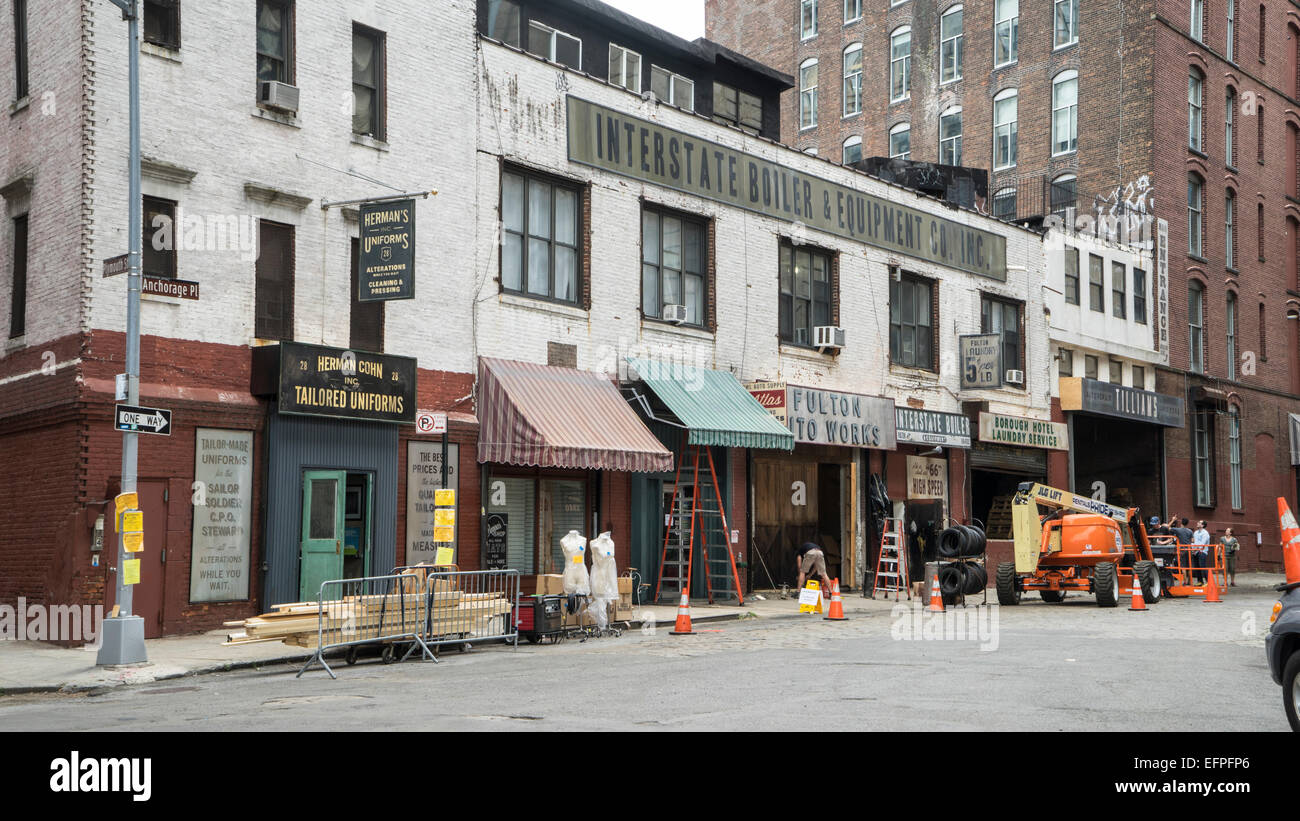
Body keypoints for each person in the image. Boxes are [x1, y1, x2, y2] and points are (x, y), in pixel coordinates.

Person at [1191, 520, 1211, 584]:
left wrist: (1195, 549)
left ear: (1202, 525)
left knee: (1203, 567)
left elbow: (1202, 543)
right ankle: (1200, 581)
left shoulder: (1205, 533)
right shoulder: (1195, 532)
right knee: (1197, 567)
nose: (1197, 523)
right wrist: (1193, 549)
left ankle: (1208, 582)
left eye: (1199, 523)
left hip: (1202, 552)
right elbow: (1194, 542)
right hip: (1195, 552)